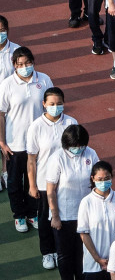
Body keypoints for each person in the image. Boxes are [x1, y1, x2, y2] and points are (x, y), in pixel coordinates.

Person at [0, 47, 54, 233]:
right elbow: (1, 115)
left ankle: (32, 213)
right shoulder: (7, 85)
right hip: (14, 143)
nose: (25, 67)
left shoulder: (44, 80)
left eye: (28, 63)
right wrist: (2, 142)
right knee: (14, 182)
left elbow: (51, 108)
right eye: (20, 64)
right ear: (14, 65)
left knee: (34, 181)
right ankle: (19, 215)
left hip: (38, 143)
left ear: (33, 62)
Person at [26, 86, 77, 271]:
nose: (56, 107)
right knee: (45, 219)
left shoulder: (71, 122)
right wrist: (32, 185)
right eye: (52, 104)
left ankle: (61, 249)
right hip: (44, 182)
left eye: (59, 103)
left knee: (64, 217)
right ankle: (47, 252)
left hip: (67, 182)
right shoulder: (36, 126)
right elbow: (31, 159)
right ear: (44, 104)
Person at [46, 124, 100, 280]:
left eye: (81, 145)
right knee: (65, 255)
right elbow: (51, 190)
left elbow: (97, 180)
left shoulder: (91, 154)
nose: (78, 149)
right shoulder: (57, 158)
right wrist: (55, 216)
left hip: (86, 216)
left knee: (82, 254)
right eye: (74, 146)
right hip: (64, 216)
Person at [77, 161, 115, 280]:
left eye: (107, 178)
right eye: (100, 179)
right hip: (93, 265)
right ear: (93, 178)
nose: (103, 182)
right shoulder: (86, 202)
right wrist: (97, 259)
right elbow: (84, 233)